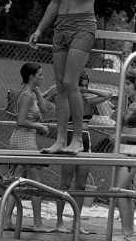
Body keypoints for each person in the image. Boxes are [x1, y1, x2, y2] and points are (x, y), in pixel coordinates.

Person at [29, 0, 101, 155]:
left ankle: (77, 139)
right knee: (60, 85)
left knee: (71, 83)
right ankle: (60, 139)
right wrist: (40, 29)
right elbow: (56, 1)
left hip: (83, 24)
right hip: (61, 25)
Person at [56, 70, 112, 234]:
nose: (83, 88)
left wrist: (88, 90)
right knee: (65, 183)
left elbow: (107, 94)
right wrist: (73, 89)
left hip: (85, 140)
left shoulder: (87, 101)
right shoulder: (66, 100)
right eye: (80, 85)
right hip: (69, 138)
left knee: (81, 185)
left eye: (86, 85)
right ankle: (59, 222)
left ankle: (76, 223)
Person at [3, 62, 55, 233]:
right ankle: (38, 223)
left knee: (16, 181)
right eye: (40, 74)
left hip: (20, 139)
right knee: (37, 183)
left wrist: (38, 90)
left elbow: (45, 108)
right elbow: (20, 121)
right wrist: (39, 126)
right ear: (31, 76)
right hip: (25, 140)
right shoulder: (26, 96)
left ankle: (6, 220)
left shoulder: (29, 92)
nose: (43, 77)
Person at [115, 69, 136, 241]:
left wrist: (122, 135)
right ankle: (128, 230)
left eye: (128, 84)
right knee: (125, 191)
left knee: (119, 190)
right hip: (124, 150)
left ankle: (126, 231)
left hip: (132, 153)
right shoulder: (131, 104)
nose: (125, 88)